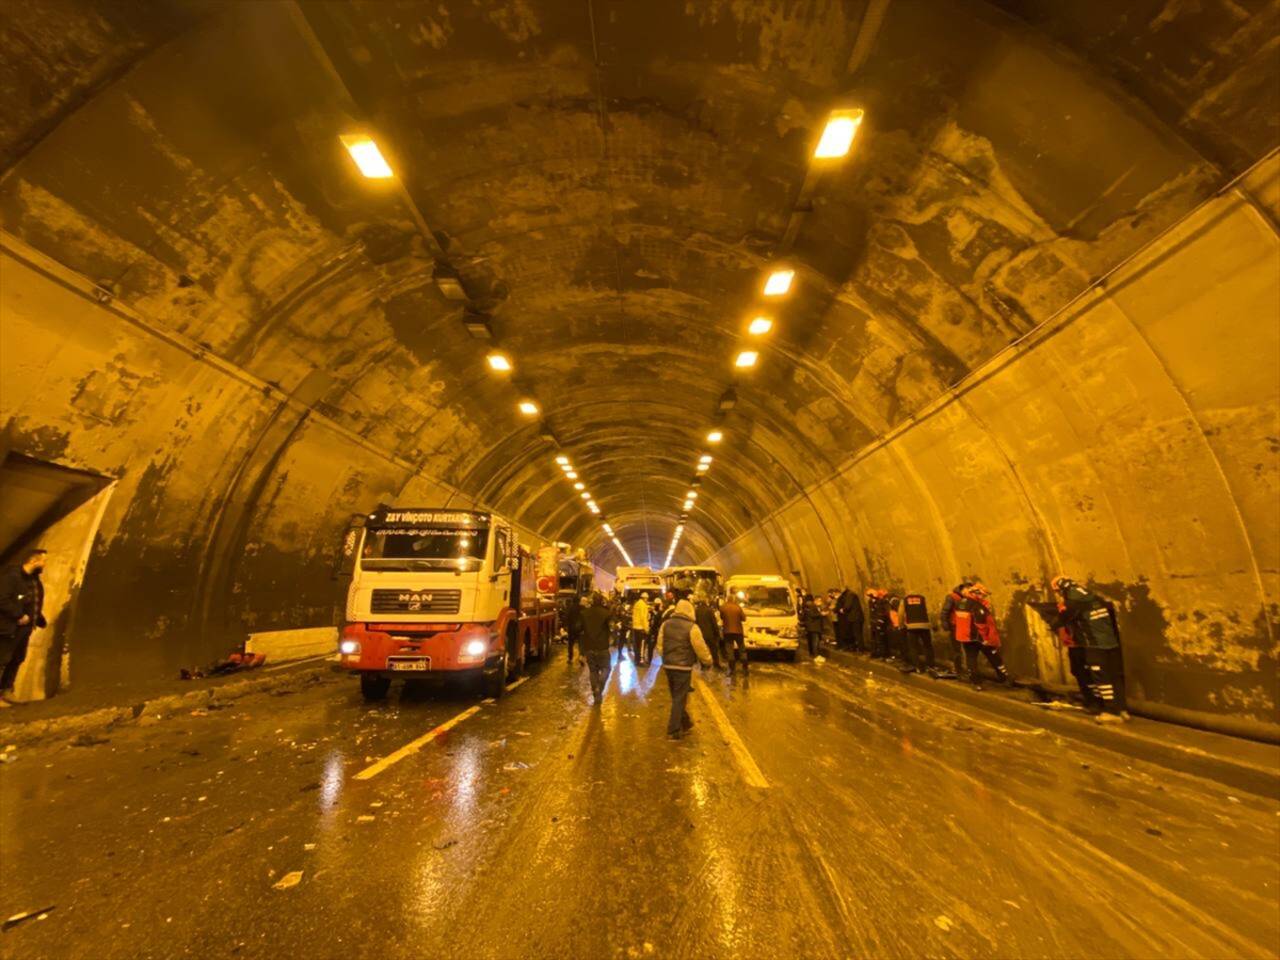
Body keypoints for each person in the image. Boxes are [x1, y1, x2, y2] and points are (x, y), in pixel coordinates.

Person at [1050, 576, 1128, 723]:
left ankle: (1111, 711)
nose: (1059, 595)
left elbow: (1061, 620)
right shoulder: (1094, 597)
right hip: (1111, 643)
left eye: (1058, 592)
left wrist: (1055, 620)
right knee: (1114, 676)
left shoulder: (1073, 602)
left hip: (1095, 644)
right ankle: (1121, 709)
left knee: (1101, 676)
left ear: (1062, 589)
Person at [658, 599, 713, 739]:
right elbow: (700, 647)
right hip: (683, 667)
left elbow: (660, 645)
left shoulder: (665, 624)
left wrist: (665, 658)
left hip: (668, 665)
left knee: (676, 696)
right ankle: (673, 729)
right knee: (679, 698)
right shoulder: (692, 627)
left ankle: (685, 722)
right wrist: (707, 660)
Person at [0, 548, 47, 706]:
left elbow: (32, 600)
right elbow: (2, 599)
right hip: (9, 628)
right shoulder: (12, 577)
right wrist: (18, 615)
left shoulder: (33, 580)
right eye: (43, 560)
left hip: (25, 629)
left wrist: (38, 617)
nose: (44, 564)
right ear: (33, 561)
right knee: (2, 659)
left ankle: (6, 691)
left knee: (17, 658)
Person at [954, 582, 1009, 690]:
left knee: (971, 659)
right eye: (982, 595)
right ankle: (1004, 678)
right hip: (979, 637)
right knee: (993, 656)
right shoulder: (976, 606)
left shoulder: (959, 603)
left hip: (965, 637)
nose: (984, 597)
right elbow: (980, 624)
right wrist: (985, 638)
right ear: (975, 593)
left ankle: (976, 683)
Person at [577, 591, 614, 705]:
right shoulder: (607, 613)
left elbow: (579, 629)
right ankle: (600, 685)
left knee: (593, 671)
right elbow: (612, 627)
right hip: (602, 647)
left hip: (589, 647)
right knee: (606, 668)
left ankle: (595, 691)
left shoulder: (584, 613)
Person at [901, 591, 937, 675]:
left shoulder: (905, 600)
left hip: (911, 627)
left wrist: (901, 625)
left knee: (913, 647)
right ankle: (931, 666)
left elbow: (901, 613)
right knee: (927, 645)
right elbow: (930, 612)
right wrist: (933, 624)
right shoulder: (922, 599)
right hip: (924, 625)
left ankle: (918, 667)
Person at [940, 581, 971, 675]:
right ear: (962, 589)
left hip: (965, 626)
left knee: (967, 649)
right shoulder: (952, 597)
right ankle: (959, 670)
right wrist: (945, 624)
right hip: (955, 626)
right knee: (957, 649)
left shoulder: (968, 598)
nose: (969, 592)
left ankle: (967, 669)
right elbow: (945, 611)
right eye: (968, 589)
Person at [692, 586, 723, 671]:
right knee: (714, 650)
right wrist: (717, 634)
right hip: (710, 635)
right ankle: (716, 664)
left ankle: (703, 665)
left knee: (702, 650)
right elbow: (714, 623)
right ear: (705, 600)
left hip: (701, 634)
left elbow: (695, 622)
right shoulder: (709, 610)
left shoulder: (696, 610)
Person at [719, 590, 748, 675]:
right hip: (738, 632)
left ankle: (732, 669)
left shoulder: (723, 607)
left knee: (729, 649)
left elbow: (721, 617)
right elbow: (744, 618)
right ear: (734, 599)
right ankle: (745, 668)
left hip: (727, 632)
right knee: (742, 649)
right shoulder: (738, 607)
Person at [835, 586, 863, 652]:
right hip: (853, 617)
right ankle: (857, 648)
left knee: (857, 634)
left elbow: (847, 606)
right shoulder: (849, 595)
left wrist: (843, 609)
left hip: (855, 618)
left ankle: (860, 649)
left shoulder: (850, 595)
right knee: (855, 634)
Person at [866, 588, 891, 659]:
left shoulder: (881, 602)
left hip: (879, 623)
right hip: (874, 622)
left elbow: (883, 613)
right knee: (874, 639)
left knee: (881, 639)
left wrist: (880, 622)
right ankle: (875, 653)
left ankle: (884, 654)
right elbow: (872, 612)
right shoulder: (871, 602)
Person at [801, 592, 824, 658]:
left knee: (813, 640)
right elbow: (812, 615)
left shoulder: (811, 606)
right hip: (814, 627)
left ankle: (813, 653)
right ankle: (815, 654)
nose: (820, 602)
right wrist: (821, 614)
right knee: (815, 641)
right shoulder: (813, 606)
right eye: (819, 600)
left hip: (812, 626)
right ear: (815, 600)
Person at [629, 592, 651, 664]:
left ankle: (637, 660)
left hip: (635, 627)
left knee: (637, 645)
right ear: (644, 598)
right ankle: (640, 661)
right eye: (647, 598)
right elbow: (643, 618)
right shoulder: (643, 605)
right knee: (642, 645)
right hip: (641, 628)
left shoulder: (637, 604)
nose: (647, 600)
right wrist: (646, 628)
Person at [563, 592, 583, 665]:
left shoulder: (570, 608)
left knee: (570, 644)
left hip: (571, 629)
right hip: (580, 629)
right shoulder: (582, 608)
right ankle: (581, 656)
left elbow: (566, 617)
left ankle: (570, 657)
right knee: (581, 644)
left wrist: (566, 626)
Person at [644, 597, 663, 665]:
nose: (656, 605)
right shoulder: (652, 612)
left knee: (658, 646)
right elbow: (649, 619)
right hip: (652, 631)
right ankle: (649, 659)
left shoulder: (661, 612)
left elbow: (658, 620)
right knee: (650, 646)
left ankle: (663, 661)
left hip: (657, 631)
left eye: (657, 604)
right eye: (656, 604)